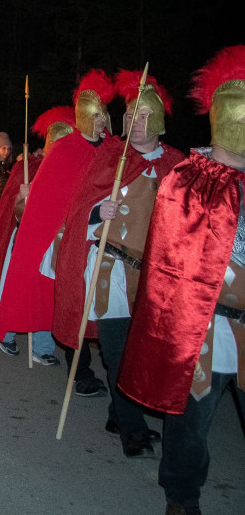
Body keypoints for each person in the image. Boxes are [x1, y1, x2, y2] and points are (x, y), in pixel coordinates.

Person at [119, 46, 245, 514]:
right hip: (204, 328)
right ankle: (181, 496)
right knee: (190, 424)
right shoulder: (189, 180)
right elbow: (168, 264)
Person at [51, 71, 183, 459]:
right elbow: (78, 210)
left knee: (140, 352)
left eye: (142, 117)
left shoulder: (175, 165)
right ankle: (133, 432)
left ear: (158, 122)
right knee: (116, 351)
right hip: (110, 271)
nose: (133, 123)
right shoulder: (111, 156)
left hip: (153, 278)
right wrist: (97, 210)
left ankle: (116, 413)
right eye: (130, 117)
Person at [0, 69, 115, 396]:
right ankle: (80, 371)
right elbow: (48, 204)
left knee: (93, 305)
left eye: (104, 115)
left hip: (104, 239)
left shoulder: (110, 150)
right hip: (68, 239)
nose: (102, 121)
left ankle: (98, 369)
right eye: (96, 115)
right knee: (66, 297)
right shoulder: (65, 150)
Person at [0, 108, 74, 362]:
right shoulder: (29, 167)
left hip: (54, 243)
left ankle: (43, 347)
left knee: (47, 294)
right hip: (28, 240)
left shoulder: (71, 171)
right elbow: (15, 211)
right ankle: (5, 332)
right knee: (21, 290)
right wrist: (23, 198)